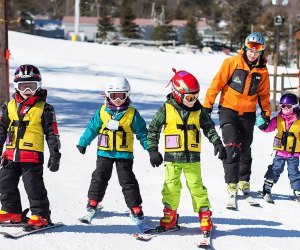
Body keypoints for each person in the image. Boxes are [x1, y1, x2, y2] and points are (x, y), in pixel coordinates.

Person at [147, 69, 226, 233]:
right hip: (172, 158)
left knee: (197, 187)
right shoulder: (166, 109)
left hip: (192, 159)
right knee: (171, 187)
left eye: (196, 96)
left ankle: (205, 216)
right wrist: (153, 150)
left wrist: (217, 142)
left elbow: (209, 128)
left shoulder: (199, 110)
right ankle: (170, 217)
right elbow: (153, 129)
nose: (193, 100)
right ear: (177, 94)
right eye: (190, 97)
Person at [203, 32, 271, 199]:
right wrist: (207, 106)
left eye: (258, 50)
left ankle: (243, 179)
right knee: (232, 145)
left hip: (248, 113)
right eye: (251, 49)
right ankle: (231, 182)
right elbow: (216, 84)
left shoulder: (262, 71)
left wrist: (266, 114)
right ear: (245, 47)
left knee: (245, 147)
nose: (253, 53)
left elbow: (264, 95)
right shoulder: (232, 62)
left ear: (261, 51)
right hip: (228, 110)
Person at [77, 76, 149, 226]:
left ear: (127, 95)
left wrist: (151, 149)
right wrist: (83, 142)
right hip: (104, 153)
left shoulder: (132, 114)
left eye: (121, 96)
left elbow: (142, 133)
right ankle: (93, 202)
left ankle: (135, 207)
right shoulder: (102, 111)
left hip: (124, 155)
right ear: (107, 95)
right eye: (114, 96)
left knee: (128, 182)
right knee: (99, 177)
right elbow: (92, 127)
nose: (117, 100)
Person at [0, 64, 61, 228]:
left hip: (32, 156)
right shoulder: (9, 106)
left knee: (33, 187)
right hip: (11, 155)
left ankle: (41, 215)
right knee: (4, 183)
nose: (27, 91)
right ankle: (11, 210)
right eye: (23, 87)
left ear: (38, 86)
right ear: (16, 87)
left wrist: (55, 154)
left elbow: (52, 133)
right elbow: (2, 129)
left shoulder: (45, 109)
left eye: (31, 87)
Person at [256, 93, 300, 203]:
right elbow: (269, 128)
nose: (285, 109)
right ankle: (267, 188)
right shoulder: (278, 119)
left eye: (288, 106)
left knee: (294, 172)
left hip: (294, 153)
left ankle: (297, 191)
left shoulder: (299, 120)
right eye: (282, 106)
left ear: (294, 106)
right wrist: (263, 125)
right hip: (280, 152)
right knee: (275, 169)